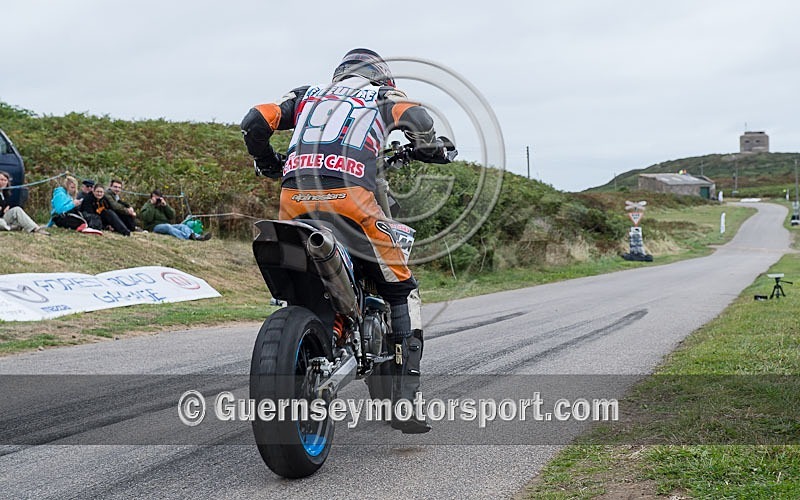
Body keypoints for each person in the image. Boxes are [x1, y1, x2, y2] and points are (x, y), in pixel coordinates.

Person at [241, 48, 454, 434]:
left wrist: (269, 161)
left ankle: (320, 332)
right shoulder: (382, 97)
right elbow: (418, 117)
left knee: (297, 290)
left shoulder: (308, 95)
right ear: (381, 77)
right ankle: (407, 395)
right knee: (402, 288)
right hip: (352, 200)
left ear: (340, 74)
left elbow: (254, 119)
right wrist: (428, 145)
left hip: (293, 203)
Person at [139, 190, 211, 240]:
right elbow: (148, 218)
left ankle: (198, 236)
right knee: (168, 227)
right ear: (151, 197)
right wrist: (152, 205)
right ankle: (187, 237)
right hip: (153, 227)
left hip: (166, 224)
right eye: (155, 197)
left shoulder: (162, 205)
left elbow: (172, 216)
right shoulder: (147, 206)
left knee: (182, 226)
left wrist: (165, 206)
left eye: (158, 198)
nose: (157, 200)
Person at [0, 170, 49, 235]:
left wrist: (5, 209)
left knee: (17, 209)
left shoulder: (4, 193)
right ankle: (12, 227)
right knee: (2, 223)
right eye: (1, 179)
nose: (3, 182)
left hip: (3, 217)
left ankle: (35, 228)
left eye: (5, 180)